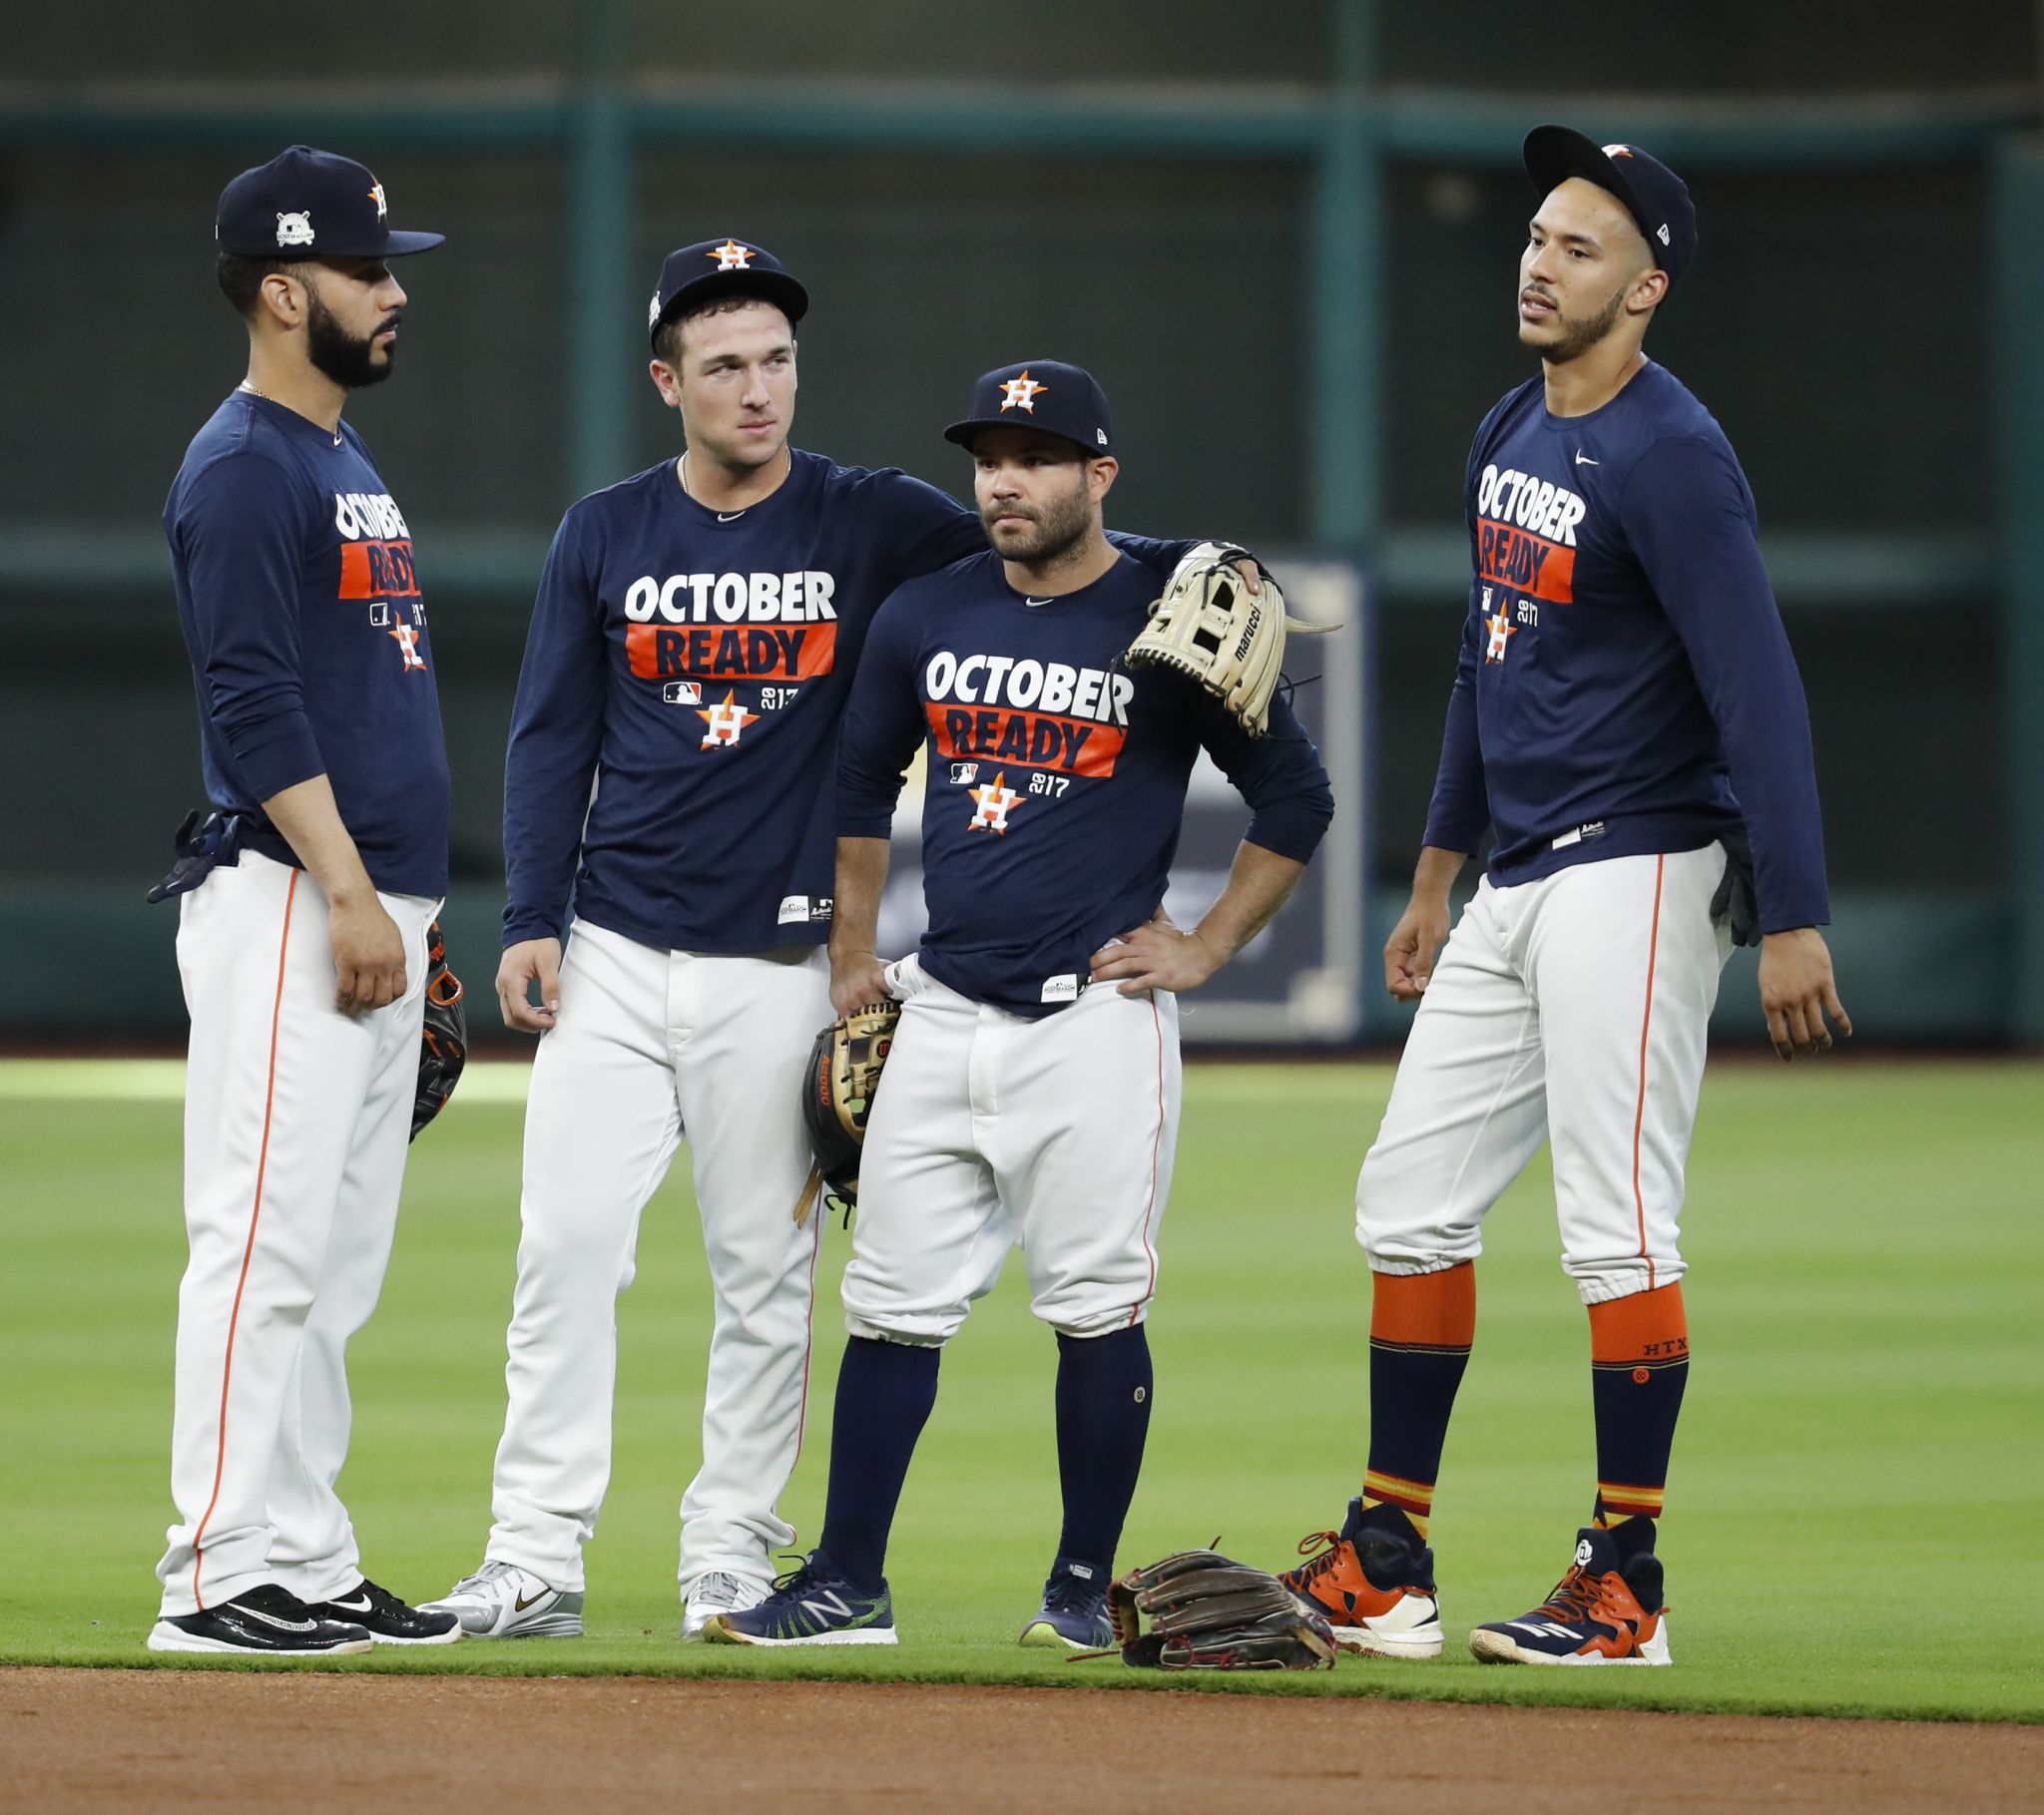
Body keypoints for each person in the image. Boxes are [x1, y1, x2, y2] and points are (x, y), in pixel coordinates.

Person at [421, 249, 1249, 1642]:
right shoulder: (605, 533)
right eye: (728, 363)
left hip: (783, 961)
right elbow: (549, 736)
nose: (761, 387)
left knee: (763, 1274)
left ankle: (734, 1553)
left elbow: (1050, 544)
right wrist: (529, 919)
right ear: (666, 382)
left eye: (778, 358)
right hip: (617, 947)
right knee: (563, 1249)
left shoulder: (874, 521)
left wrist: (1194, 566)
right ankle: (534, 1555)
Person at [1281, 128, 1849, 1668]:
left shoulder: (1673, 456)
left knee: (1617, 1224)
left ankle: (1627, 1582)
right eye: (1535, 236)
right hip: (1518, 879)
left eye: (1580, 245)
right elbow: (1490, 660)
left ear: (1647, 286)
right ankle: (1388, 1556)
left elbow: (1759, 688)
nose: (1540, 263)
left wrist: (1793, 909)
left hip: (1649, 861)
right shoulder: (1509, 432)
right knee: (1406, 1198)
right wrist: (1436, 870)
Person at [709, 360, 1335, 1648]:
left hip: (1096, 1021)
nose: (1006, 478)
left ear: (1098, 474)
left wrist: (1209, 944)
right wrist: (849, 955)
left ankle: (1076, 1593)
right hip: (943, 1007)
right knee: (887, 1302)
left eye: (1039, 454)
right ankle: (844, 1583)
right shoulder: (927, 611)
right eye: (990, 454)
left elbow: (1297, 799)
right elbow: (861, 778)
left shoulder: (1169, 610)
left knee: (1096, 1304)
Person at [148, 146, 458, 1654]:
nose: (395, 295)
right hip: (289, 901)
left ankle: (306, 1558)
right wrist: (348, 893)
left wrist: (402, 912)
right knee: (262, 1242)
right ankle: (207, 1572)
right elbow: (257, 706)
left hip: (368, 907)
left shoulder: (338, 455)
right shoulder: (247, 465)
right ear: (284, 290)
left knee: (333, 1269)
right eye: (367, 271)